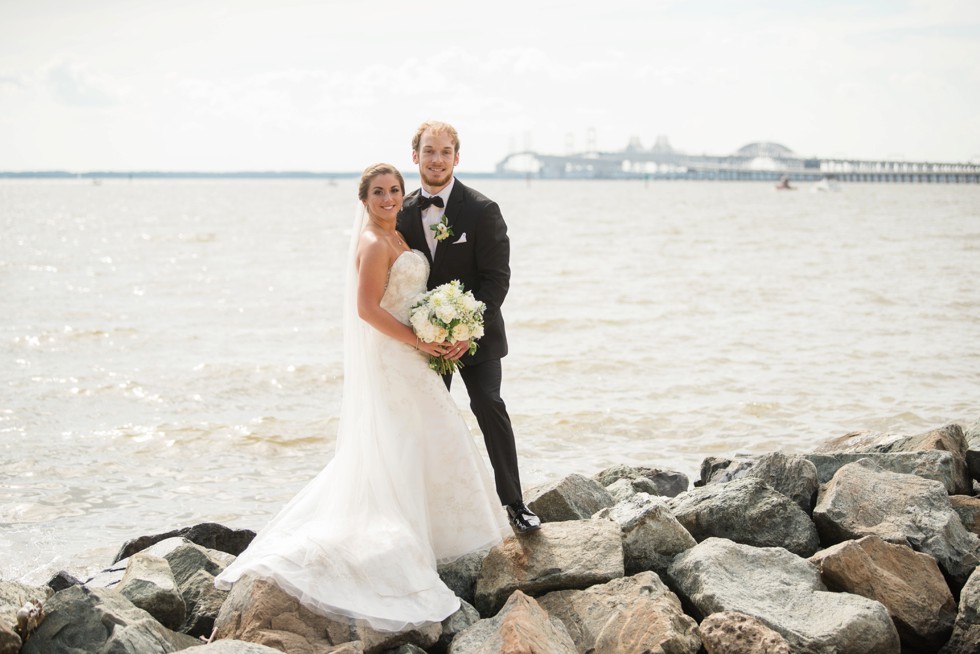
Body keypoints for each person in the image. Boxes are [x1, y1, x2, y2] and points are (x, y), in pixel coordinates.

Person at [212, 163, 508, 632]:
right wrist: (420, 341)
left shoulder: (396, 235)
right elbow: (367, 309)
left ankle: (435, 534)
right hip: (394, 355)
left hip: (413, 351)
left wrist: (441, 325)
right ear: (364, 200)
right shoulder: (372, 242)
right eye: (378, 192)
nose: (389, 198)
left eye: (394, 190)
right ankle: (401, 540)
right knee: (404, 440)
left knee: (424, 436)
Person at [397, 121, 541, 534]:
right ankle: (425, 508)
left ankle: (514, 503)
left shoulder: (482, 209)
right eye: (429, 151)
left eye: (445, 151)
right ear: (416, 157)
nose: (437, 159)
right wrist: (422, 335)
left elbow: (497, 279)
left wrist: (466, 329)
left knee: (489, 406)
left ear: (457, 157)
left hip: (475, 338)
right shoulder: (401, 212)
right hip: (423, 341)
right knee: (423, 418)